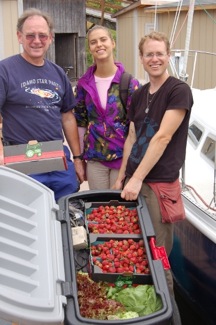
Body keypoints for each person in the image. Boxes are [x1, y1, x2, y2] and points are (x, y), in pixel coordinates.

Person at [113, 31, 193, 294]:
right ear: (141, 58)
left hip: (157, 188)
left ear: (168, 56)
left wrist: (136, 180)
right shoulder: (139, 94)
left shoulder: (178, 91)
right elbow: (132, 139)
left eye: (160, 53)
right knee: (136, 248)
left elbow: (163, 137)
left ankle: (167, 313)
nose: (155, 59)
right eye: (150, 54)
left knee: (158, 255)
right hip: (134, 183)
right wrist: (122, 177)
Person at [0, 8, 85, 202]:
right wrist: (1, 154)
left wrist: (78, 158)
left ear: (51, 38)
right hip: (22, 155)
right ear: (19, 36)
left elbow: (67, 117)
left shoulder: (58, 73)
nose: (36, 40)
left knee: (67, 208)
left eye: (42, 35)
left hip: (56, 154)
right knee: (30, 213)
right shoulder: (4, 70)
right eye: (30, 35)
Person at [73, 25, 141, 190]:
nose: (99, 45)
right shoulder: (83, 84)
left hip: (123, 158)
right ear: (89, 48)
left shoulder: (129, 83)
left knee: (120, 209)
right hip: (95, 160)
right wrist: (80, 158)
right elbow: (80, 122)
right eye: (93, 42)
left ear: (113, 43)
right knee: (99, 209)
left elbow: (137, 126)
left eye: (103, 40)